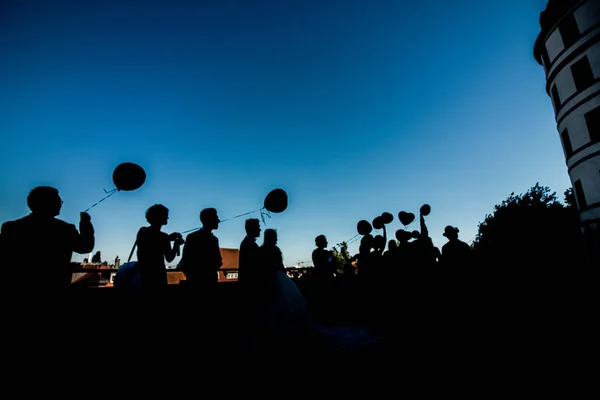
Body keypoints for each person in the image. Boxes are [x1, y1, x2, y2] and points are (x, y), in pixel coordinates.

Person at [0, 186, 95, 289]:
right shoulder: (65, 230)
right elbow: (86, 246)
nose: (60, 205)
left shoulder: (10, 228)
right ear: (49, 203)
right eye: (59, 202)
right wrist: (86, 223)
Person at [135, 204, 183, 290]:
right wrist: (173, 243)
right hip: (158, 274)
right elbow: (169, 258)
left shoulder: (143, 231)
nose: (167, 217)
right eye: (165, 215)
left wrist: (173, 242)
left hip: (145, 274)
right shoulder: (162, 236)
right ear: (158, 217)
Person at [180, 207, 222, 292]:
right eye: (216, 218)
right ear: (207, 220)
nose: (218, 220)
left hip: (207, 283)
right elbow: (186, 262)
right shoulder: (193, 238)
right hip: (199, 285)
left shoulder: (213, 239)